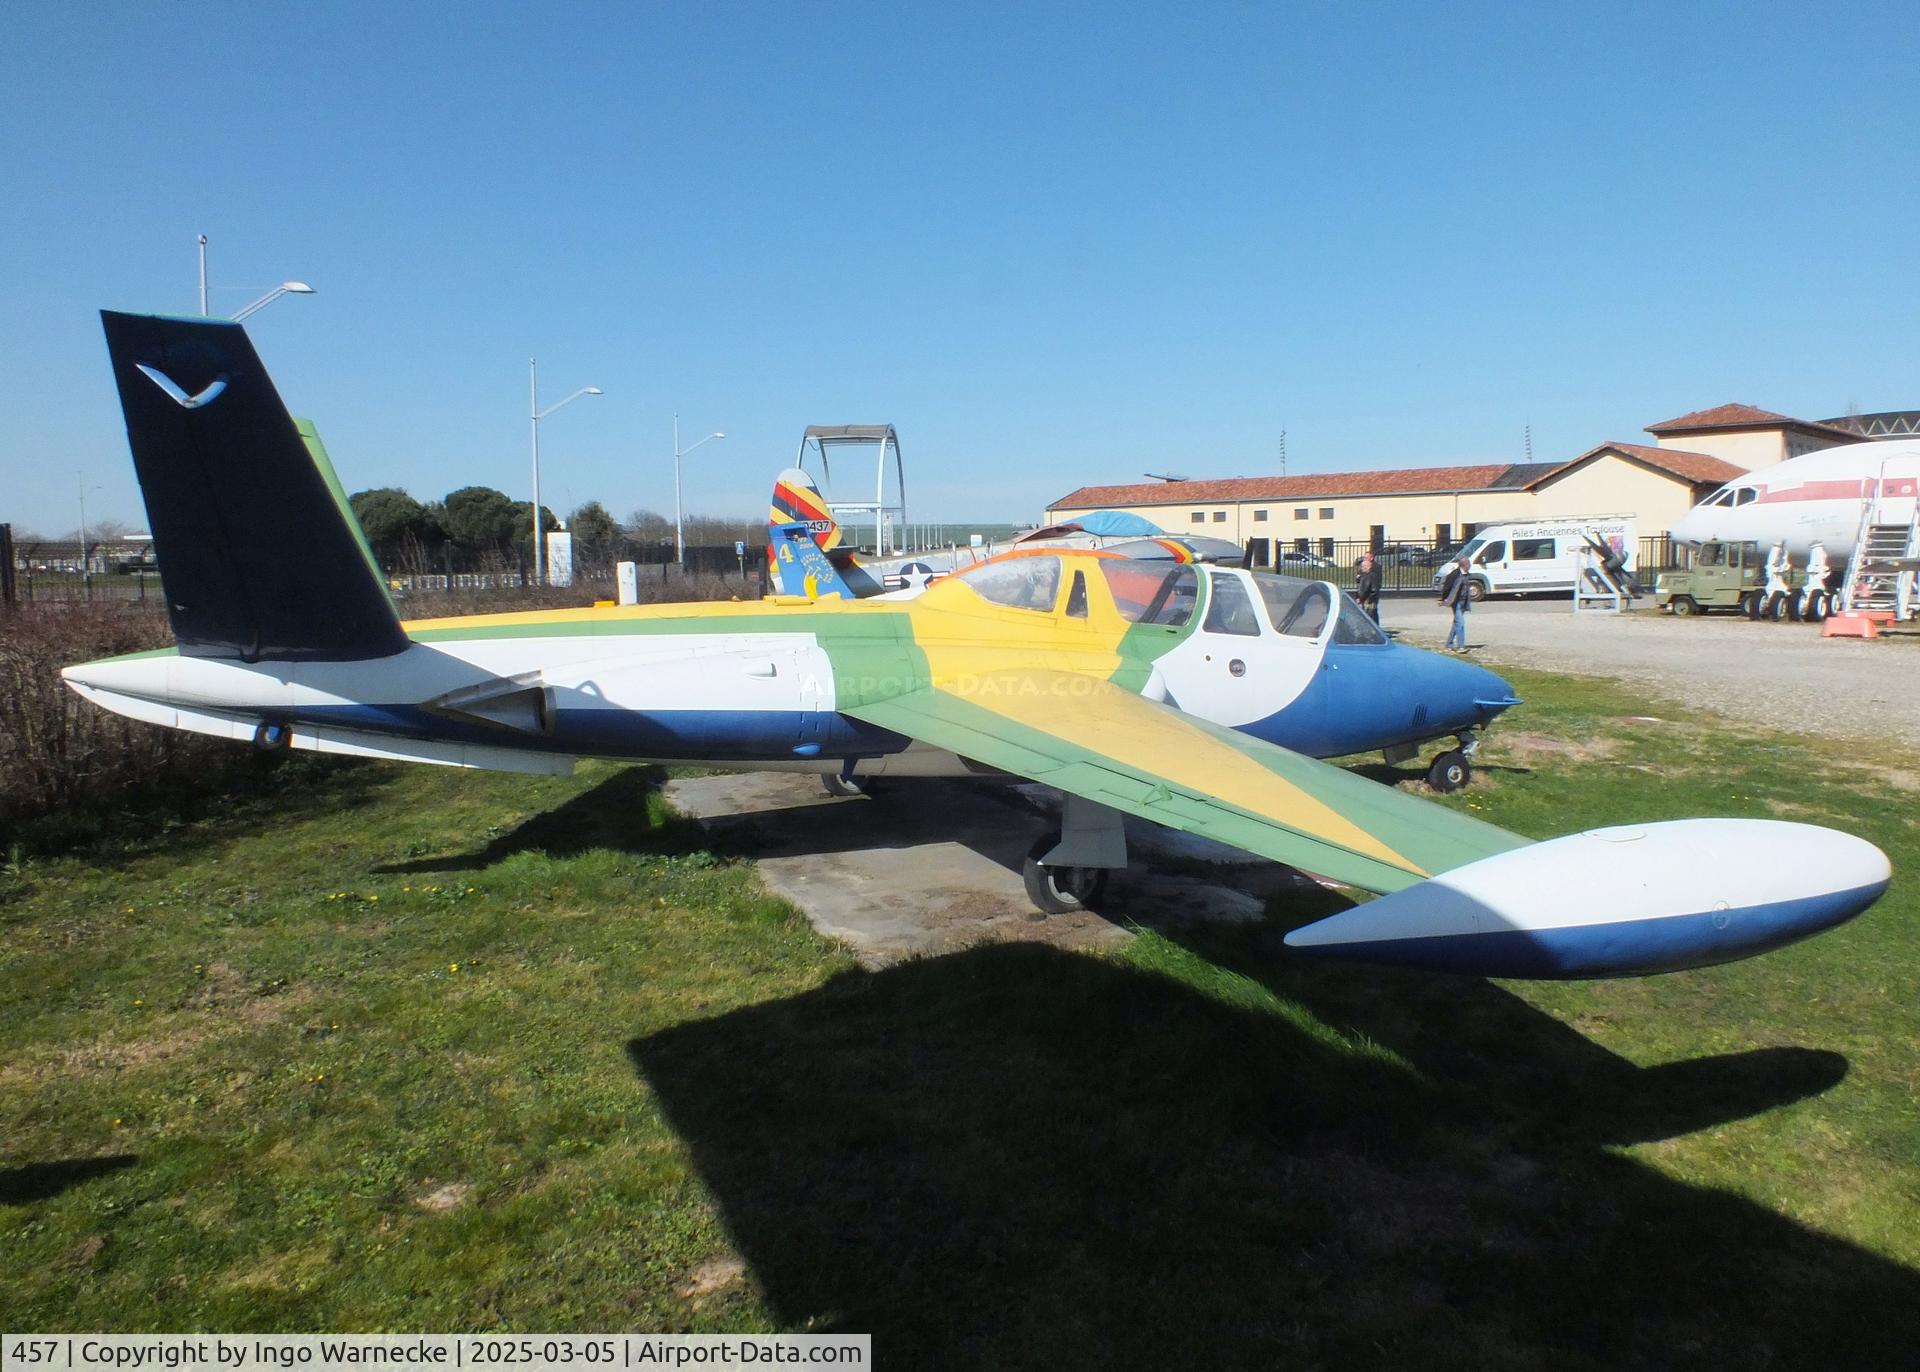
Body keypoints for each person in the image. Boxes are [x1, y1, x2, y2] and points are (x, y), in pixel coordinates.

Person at [1439, 555, 1472, 650]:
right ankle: (1461, 646)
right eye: (1468, 563)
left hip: (1463, 601)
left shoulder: (1467, 574)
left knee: (1456, 622)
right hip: (1455, 601)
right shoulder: (1455, 574)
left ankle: (1449, 643)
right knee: (1460, 622)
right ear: (1465, 565)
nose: (1470, 565)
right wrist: (1444, 599)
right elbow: (1447, 587)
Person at [1354, 551, 1382, 624]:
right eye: (1364, 557)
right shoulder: (1363, 566)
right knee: (1367, 613)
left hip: (1370, 596)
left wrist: (1370, 597)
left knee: (1371, 613)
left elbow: (1376, 584)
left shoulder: (1376, 567)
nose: (1365, 559)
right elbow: (1360, 583)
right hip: (1364, 593)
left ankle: (1375, 627)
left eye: (1367, 557)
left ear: (1371, 558)